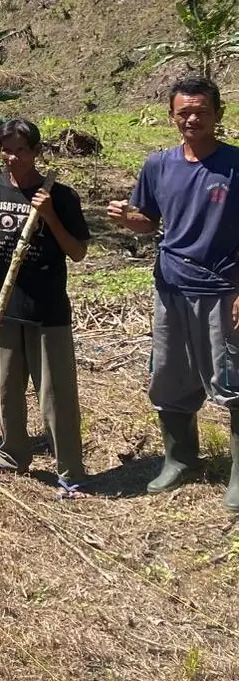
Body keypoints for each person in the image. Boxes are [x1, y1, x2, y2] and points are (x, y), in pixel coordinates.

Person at [108, 77, 239, 511]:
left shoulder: (235, 165)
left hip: (222, 290)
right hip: (170, 287)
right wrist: (130, 220)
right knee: (169, 375)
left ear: (219, 114)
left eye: (201, 111)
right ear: (171, 116)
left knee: (233, 380)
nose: (192, 119)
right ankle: (180, 459)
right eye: (184, 112)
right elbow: (149, 221)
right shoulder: (158, 165)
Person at [0, 118, 90, 494]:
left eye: (21, 150)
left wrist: (50, 217)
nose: (12, 157)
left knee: (55, 393)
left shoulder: (59, 195)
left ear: (36, 152)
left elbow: (76, 252)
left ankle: (70, 469)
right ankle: (14, 454)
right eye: (6, 149)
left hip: (47, 310)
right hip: (2, 306)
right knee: (8, 386)